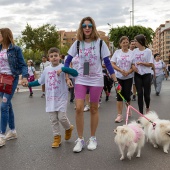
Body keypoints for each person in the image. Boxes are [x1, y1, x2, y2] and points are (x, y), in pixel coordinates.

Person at [64, 16, 120, 152]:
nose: (87, 28)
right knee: (78, 108)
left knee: (94, 108)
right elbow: (66, 62)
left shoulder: (100, 43)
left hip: (96, 79)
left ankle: (93, 138)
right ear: (81, 28)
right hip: (81, 79)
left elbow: (107, 63)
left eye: (89, 26)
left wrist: (116, 81)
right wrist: (67, 77)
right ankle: (81, 139)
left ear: (93, 27)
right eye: (84, 26)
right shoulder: (77, 43)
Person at [24, 47, 77, 148]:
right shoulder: (47, 69)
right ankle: (56, 138)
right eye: (51, 56)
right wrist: (29, 84)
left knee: (61, 117)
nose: (54, 58)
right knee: (53, 119)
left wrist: (63, 69)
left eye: (56, 56)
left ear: (59, 56)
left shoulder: (63, 67)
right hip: (50, 99)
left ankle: (68, 128)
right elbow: (40, 81)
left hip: (61, 98)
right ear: (49, 58)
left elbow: (75, 73)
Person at [0, 28, 28, 147]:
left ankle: (1, 136)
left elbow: (23, 64)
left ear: (5, 35)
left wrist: (25, 77)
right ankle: (12, 131)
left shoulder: (15, 49)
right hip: (1, 79)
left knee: (3, 105)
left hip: (11, 79)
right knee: (8, 106)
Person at [111, 36, 134, 123]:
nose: (125, 44)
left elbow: (133, 65)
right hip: (118, 77)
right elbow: (112, 63)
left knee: (127, 96)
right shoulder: (117, 52)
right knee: (119, 96)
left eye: (126, 42)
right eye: (123, 42)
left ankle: (128, 109)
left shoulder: (132, 53)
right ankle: (119, 115)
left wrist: (128, 72)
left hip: (128, 77)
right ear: (120, 44)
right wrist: (120, 70)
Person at [132, 34, 153, 114]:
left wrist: (142, 63)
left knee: (146, 95)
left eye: (136, 41)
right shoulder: (134, 51)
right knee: (139, 94)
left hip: (147, 74)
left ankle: (147, 107)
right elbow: (132, 62)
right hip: (138, 74)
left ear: (140, 41)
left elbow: (150, 64)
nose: (134, 43)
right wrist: (133, 66)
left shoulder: (148, 51)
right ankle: (141, 113)